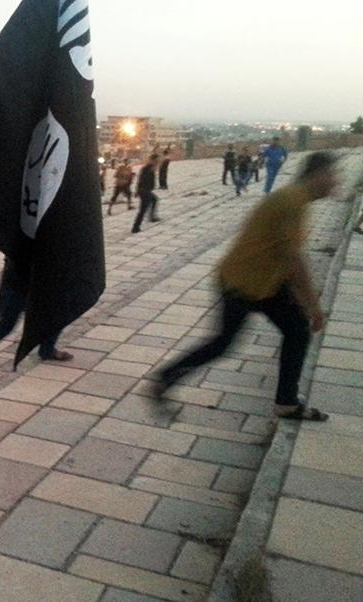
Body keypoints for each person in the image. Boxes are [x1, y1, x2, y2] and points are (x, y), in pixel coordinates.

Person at [152, 152, 339, 421]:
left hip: (260, 282)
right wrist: (314, 307)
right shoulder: (292, 201)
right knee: (226, 343)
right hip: (243, 284)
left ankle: (286, 401)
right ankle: (165, 378)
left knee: (294, 331)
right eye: (332, 176)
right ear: (318, 174)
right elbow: (294, 259)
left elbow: (285, 255)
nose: (335, 182)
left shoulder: (294, 199)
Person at [0, 257, 73, 381]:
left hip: (27, 280)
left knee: (54, 313)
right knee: (7, 324)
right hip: (22, 282)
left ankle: (47, 349)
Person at [131, 154, 160, 234]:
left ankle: (151, 217)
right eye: (156, 161)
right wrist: (138, 191)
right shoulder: (148, 168)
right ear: (153, 160)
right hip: (144, 192)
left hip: (146, 191)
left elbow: (140, 180)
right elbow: (141, 180)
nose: (158, 162)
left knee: (154, 199)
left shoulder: (149, 168)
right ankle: (135, 227)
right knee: (142, 210)